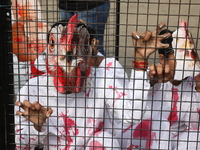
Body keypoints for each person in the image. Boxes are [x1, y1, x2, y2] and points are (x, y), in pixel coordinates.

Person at [14, 13, 171, 149]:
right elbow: (22, 146)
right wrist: (38, 126)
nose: (68, 54)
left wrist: (140, 60)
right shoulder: (32, 90)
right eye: (55, 45)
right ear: (47, 52)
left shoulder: (101, 78)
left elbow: (131, 114)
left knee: (105, 140)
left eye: (81, 46)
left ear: (89, 53)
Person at [120, 28, 200, 149]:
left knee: (196, 136)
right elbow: (132, 109)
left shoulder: (193, 82)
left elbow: (194, 124)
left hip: (176, 140)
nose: (186, 63)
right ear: (162, 58)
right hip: (144, 137)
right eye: (179, 57)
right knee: (160, 123)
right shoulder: (152, 75)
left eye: (188, 56)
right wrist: (152, 82)